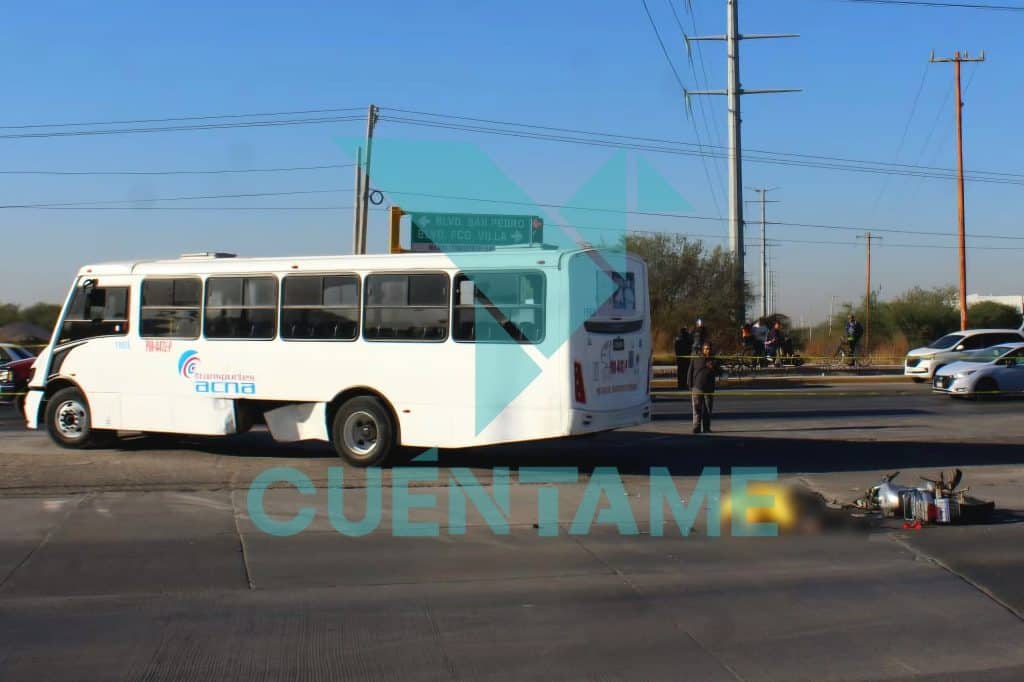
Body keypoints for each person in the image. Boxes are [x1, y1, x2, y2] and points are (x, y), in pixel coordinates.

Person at [687, 342, 720, 434]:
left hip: (709, 388)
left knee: (708, 409)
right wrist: (690, 385)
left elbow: (719, 372)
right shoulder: (696, 358)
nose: (707, 351)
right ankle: (696, 427)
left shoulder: (713, 360)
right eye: (705, 349)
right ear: (702, 350)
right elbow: (690, 371)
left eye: (709, 349)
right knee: (697, 409)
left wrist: (713, 367)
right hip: (697, 387)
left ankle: (706, 427)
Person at [673, 326, 692, 390]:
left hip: (680, 358)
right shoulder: (687, 338)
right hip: (686, 358)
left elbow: (676, 348)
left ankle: (680, 385)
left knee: (681, 372)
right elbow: (691, 345)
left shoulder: (677, 339)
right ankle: (685, 384)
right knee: (686, 372)